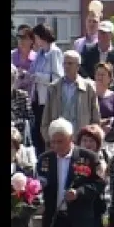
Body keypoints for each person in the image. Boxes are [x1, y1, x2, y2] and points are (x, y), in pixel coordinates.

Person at [41, 50, 101, 144]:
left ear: (78, 66)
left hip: (82, 141)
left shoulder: (89, 88)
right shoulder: (53, 88)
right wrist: (49, 140)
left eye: (70, 63)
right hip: (58, 142)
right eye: (64, 63)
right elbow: (45, 119)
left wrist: (90, 141)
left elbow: (95, 119)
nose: (66, 66)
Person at [29, 23, 64, 154]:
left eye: (36, 37)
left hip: (48, 99)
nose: (34, 41)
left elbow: (57, 76)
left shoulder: (54, 52)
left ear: (41, 37)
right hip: (37, 98)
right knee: (37, 132)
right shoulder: (40, 53)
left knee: (45, 131)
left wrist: (37, 77)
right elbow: (33, 71)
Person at [80, 20, 114, 91]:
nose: (101, 35)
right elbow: (81, 69)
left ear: (111, 35)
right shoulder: (88, 51)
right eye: (100, 32)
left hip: (108, 93)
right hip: (90, 91)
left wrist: (109, 87)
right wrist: (90, 82)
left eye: (104, 33)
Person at [94, 62, 114, 149]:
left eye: (103, 75)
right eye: (98, 74)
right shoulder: (89, 95)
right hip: (92, 140)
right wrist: (100, 123)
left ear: (110, 78)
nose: (100, 77)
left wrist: (107, 122)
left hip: (109, 142)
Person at [11, 24, 37, 94]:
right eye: (19, 37)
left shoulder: (36, 58)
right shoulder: (11, 55)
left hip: (31, 99)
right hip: (13, 99)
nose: (21, 40)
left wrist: (25, 74)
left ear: (32, 40)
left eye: (24, 37)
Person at [11, 64, 34, 137]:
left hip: (19, 137)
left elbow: (30, 119)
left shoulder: (22, 95)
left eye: (12, 78)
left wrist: (15, 123)